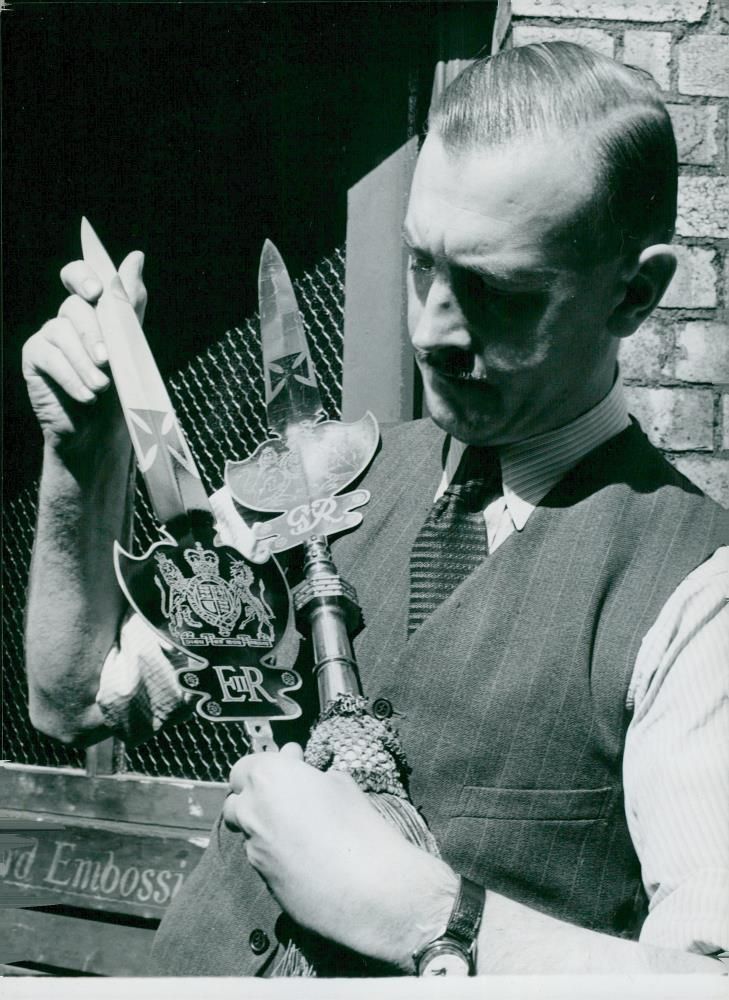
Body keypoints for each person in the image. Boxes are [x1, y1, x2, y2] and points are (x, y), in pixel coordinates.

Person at [22, 42, 728, 976]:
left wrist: (430, 915)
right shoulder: (316, 478)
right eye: (420, 265)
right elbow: (72, 703)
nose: (433, 327)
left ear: (632, 294)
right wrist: (83, 454)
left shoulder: (696, 591)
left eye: (497, 291)